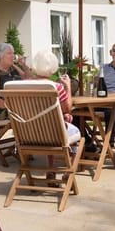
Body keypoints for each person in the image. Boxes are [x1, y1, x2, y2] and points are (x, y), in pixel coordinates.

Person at [30, 50, 80, 186]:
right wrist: (68, 88)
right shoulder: (56, 87)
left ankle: (50, 170)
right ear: (53, 67)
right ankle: (67, 172)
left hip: (28, 135)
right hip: (53, 134)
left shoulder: (23, 85)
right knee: (76, 135)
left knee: (52, 126)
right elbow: (67, 108)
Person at [0, 43, 30, 120]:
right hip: (0, 109)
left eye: (13, 53)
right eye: (9, 53)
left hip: (17, 106)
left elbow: (29, 79)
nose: (13, 56)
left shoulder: (13, 67)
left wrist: (24, 66)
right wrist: (14, 108)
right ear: (0, 56)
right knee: (32, 113)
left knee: (37, 108)